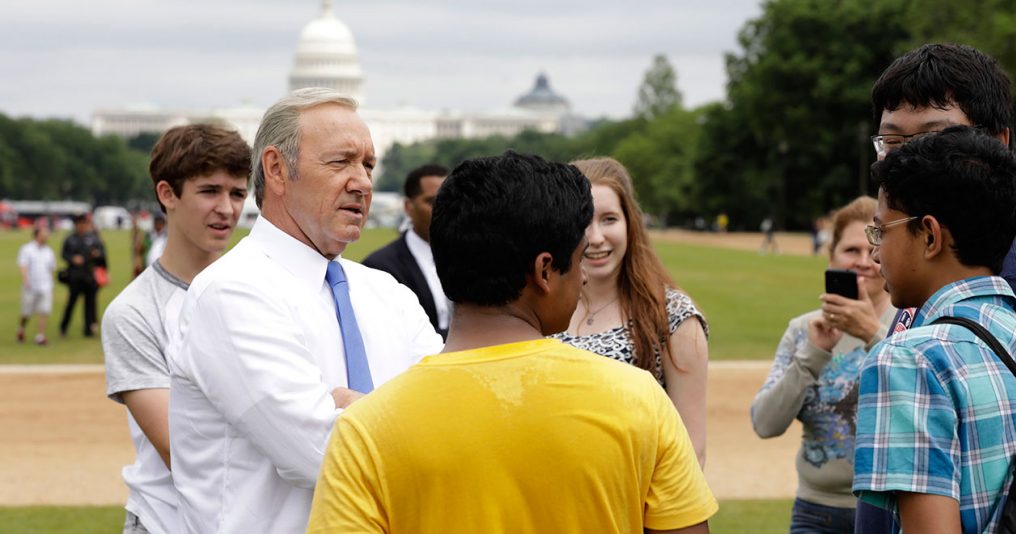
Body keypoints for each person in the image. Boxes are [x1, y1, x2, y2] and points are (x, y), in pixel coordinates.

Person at [306, 151, 718, 533]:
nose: (584, 276)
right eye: (576, 262)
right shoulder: (637, 399)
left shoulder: (365, 430)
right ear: (544, 271)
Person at [166, 87, 443, 534]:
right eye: (341, 162)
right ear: (276, 169)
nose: (363, 183)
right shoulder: (231, 292)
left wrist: (353, 408)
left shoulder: (386, 292)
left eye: (368, 165)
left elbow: (460, 420)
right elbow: (326, 455)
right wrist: (406, 421)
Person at [856, 42, 1016, 533]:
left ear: (994, 142)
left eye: (935, 137)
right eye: (893, 142)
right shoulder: (979, 284)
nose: (908, 160)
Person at [102, 124, 251, 534]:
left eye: (237, 193)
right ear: (167, 194)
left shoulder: (263, 291)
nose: (227, 208)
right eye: (209, 191)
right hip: (166, 523)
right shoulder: (134, 312)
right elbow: (185, 448)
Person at [751, 196, 896, 533]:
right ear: (831, 256)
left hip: (890, 511)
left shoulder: (912, 324)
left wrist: (873, 334)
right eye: (850, 251)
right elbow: (765, 423)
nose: (863, 261)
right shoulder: (804, 330)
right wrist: (812, 355)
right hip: (817, 511)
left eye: (872, 249)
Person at [552, 157, 709, 466]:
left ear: (630, 223)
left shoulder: (672, 315)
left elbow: (691, 451)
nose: (595, 237)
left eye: (609, 219)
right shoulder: (542, 308)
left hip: (633, 506)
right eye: (584, 221)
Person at [363, 164, 451, 337]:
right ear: (408, 206)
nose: (444, 208)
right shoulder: (380, 268)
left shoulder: (472, 256)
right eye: (432, 202)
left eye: (449, 200)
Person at [59, 212, 106, 337]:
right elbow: (63, 254)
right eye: (79, 223)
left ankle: (88, 329)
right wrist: (72, 259)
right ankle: (63, 327)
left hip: (89, 275)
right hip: (74, 276)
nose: (81, 226)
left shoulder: (93, 238)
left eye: (83, 223)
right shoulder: (70, 239)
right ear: (75, 225)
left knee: (90, 304)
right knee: (71, 303)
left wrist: (97, 254)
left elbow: (102, 254)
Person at [17, 223, 56, 346]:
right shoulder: (27, 249)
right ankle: (21, 328)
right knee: (27, 312)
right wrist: (26, 279)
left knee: (44, 310)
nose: (46, 236)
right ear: (37, 235)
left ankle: (40, 336)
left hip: (45, 285)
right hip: (31, 285)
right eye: (44, 234)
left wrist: (51, 281)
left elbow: (51, 268)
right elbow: (23, 265)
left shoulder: (49, 251)